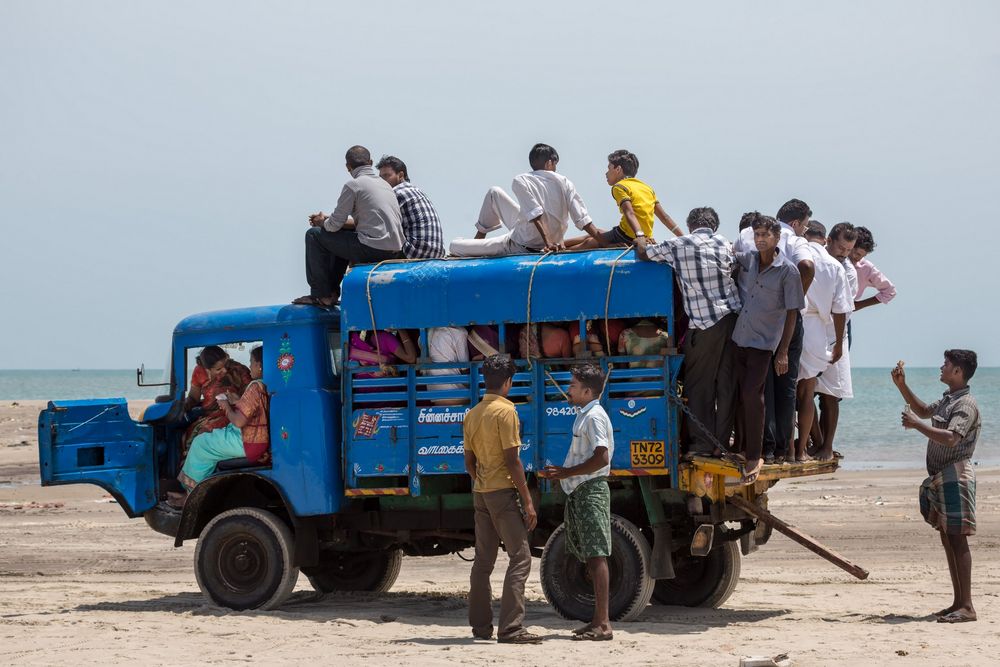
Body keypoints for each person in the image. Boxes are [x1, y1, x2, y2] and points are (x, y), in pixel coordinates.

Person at [636, 206, 741, 456]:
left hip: (705, 324)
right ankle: (722, 444)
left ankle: (702, 445)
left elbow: (644, 254)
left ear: (690, 224)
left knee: (699, 385)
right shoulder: (726, 244)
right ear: (714, 226)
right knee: (726, 385)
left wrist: (640, 236)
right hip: (734, 321)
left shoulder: (679, 243)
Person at [892, 350, 981, 624]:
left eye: (946, 364)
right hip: (944, 476)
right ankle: (958, 602)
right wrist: (902, 385)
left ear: (958, 372)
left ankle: (966, 606)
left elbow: (952, 438)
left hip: (956, 476)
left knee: (957, 538)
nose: (941, 367)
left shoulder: (965, 404)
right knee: (948, 538)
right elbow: (922, 411)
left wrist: (918, 426)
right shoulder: (948, 399)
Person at [463, 355, 541, 644]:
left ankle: (481, 628)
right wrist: (528, 501)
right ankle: (510, 628)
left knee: (483, 563)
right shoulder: (506, 412)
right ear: (509, 382)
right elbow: (513, 461)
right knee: (520, 558)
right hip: (502, 494)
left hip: (481, 493)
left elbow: (469, 462)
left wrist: (481, 482)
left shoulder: (472, 414)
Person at [539, 364, 615, 641]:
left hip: (590, 489)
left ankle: (603, 624)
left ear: (587, 390)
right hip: (582, 489)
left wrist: (565, 473)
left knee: (596, 554)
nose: (568, 389)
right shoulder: (584, 414)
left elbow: (601, 457)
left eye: (572, 385)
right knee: (590, 554)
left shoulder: (594, 416)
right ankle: (597, 621)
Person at [736, 201, 815, 462]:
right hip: (746, 336)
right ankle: (767, 449)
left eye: (764, 235)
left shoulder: (788, 270)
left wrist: (783, 350)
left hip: (774, 337)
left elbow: (793, 310)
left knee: (782, 391)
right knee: (760, 392)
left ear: (777, 236)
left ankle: (778, 449)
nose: (759, 239)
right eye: (756, 235)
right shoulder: (749, 260)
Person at [293, 145, 405, 307]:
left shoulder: (354, 185)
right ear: (371, 162)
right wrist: (329, 221)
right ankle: (331, 292)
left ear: (348, 167)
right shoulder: (385, 185)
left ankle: (321, 294)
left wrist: (321, 222)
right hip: (394, 250)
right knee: (341, 237)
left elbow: (333, 226)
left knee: (314, 234)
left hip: (372, 249)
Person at [449, 144, 603, 256]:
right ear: (550, 162)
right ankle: (479, 241)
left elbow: (536, 214)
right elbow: (582, 219)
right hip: (532, 232)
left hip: (518, 244)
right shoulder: (565, 181)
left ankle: (477, 244)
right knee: (494, 193)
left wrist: (548, 243)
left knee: (454, 246)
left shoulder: (521, 180)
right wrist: (603, 241)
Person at [171, 346, 269, 504]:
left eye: (251, 362)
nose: (249, 366)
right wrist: (237, 400)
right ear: (207, 369)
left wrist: (226, 405)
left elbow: (238, 420)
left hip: (247, 438)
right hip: (247, 432)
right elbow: (251, 407)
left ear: (260, 366)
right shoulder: (263, 384)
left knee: (200, 443)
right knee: (200, 437)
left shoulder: (254, 386)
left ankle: (192, 497)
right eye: (218, 368)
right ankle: (194, 491)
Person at [795, 226, 850, 462]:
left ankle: (797, 448)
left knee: (795, 394)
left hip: (795, 324)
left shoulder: (798, 256)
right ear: (825, 239)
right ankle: (816, 447)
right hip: (821, 330)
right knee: (814, 393)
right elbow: (841, 310)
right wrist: (838, 344)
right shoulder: (835, 266)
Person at [565, 149, 681, 249]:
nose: (606, 173)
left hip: (627, 236)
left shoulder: (620, 187)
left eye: (609, 168)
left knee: (591, 241)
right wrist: (683, 237)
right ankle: (560, 243)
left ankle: (560, 250)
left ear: (618, 169)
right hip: (645, 235)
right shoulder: (647, 188)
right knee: (597, 232)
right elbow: (665, 217)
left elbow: (629, 212)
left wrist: (639, 236)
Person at [813, 223, 858, 459]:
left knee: (831, 395)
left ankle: (827, 445)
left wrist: (838, 343)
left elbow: (843, 310)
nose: (844, 253)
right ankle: (816, 440)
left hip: (835, 335)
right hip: (815, 331)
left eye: (848, 250)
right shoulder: (816, 261)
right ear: (828, 241)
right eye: (841, 247)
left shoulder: (847, 271)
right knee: (806, 390)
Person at [182, 345, 252, 453]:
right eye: (218, 369)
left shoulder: (238, 369)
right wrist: (184, 405)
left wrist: (235, 400)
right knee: (187, 438)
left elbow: (251, 394)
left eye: (225, 365)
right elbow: (193, 397)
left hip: (234, 413)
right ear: (207, 369)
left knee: (203, 435)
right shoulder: (199, 372)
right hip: (210, 415)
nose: (224, 370)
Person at [376, 155, 446, 259]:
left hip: (414, 253)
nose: (382, 181)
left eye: (386, 176)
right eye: (381, 178)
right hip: (436, 254)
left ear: (400, 175)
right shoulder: (415, 190)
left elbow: (377, 222)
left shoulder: (397, 193)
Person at [851, 226, 897, 312]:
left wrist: (858, 305)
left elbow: (890, 291)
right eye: (856, 253)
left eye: (861, 255)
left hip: (842, 317)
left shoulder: (866, 268)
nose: (857, 258)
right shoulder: (832, 256)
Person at [425, 327, 469, 404]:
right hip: (456, 392)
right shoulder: (459, 332)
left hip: (435, 394)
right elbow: (464, 367)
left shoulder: (431, 332)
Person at [349, 329, 418, 378]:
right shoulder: (386, 338)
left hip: (360, 392)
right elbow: (411, 358)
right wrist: (401, 328)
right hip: (386, 390)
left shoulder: (353, 337)